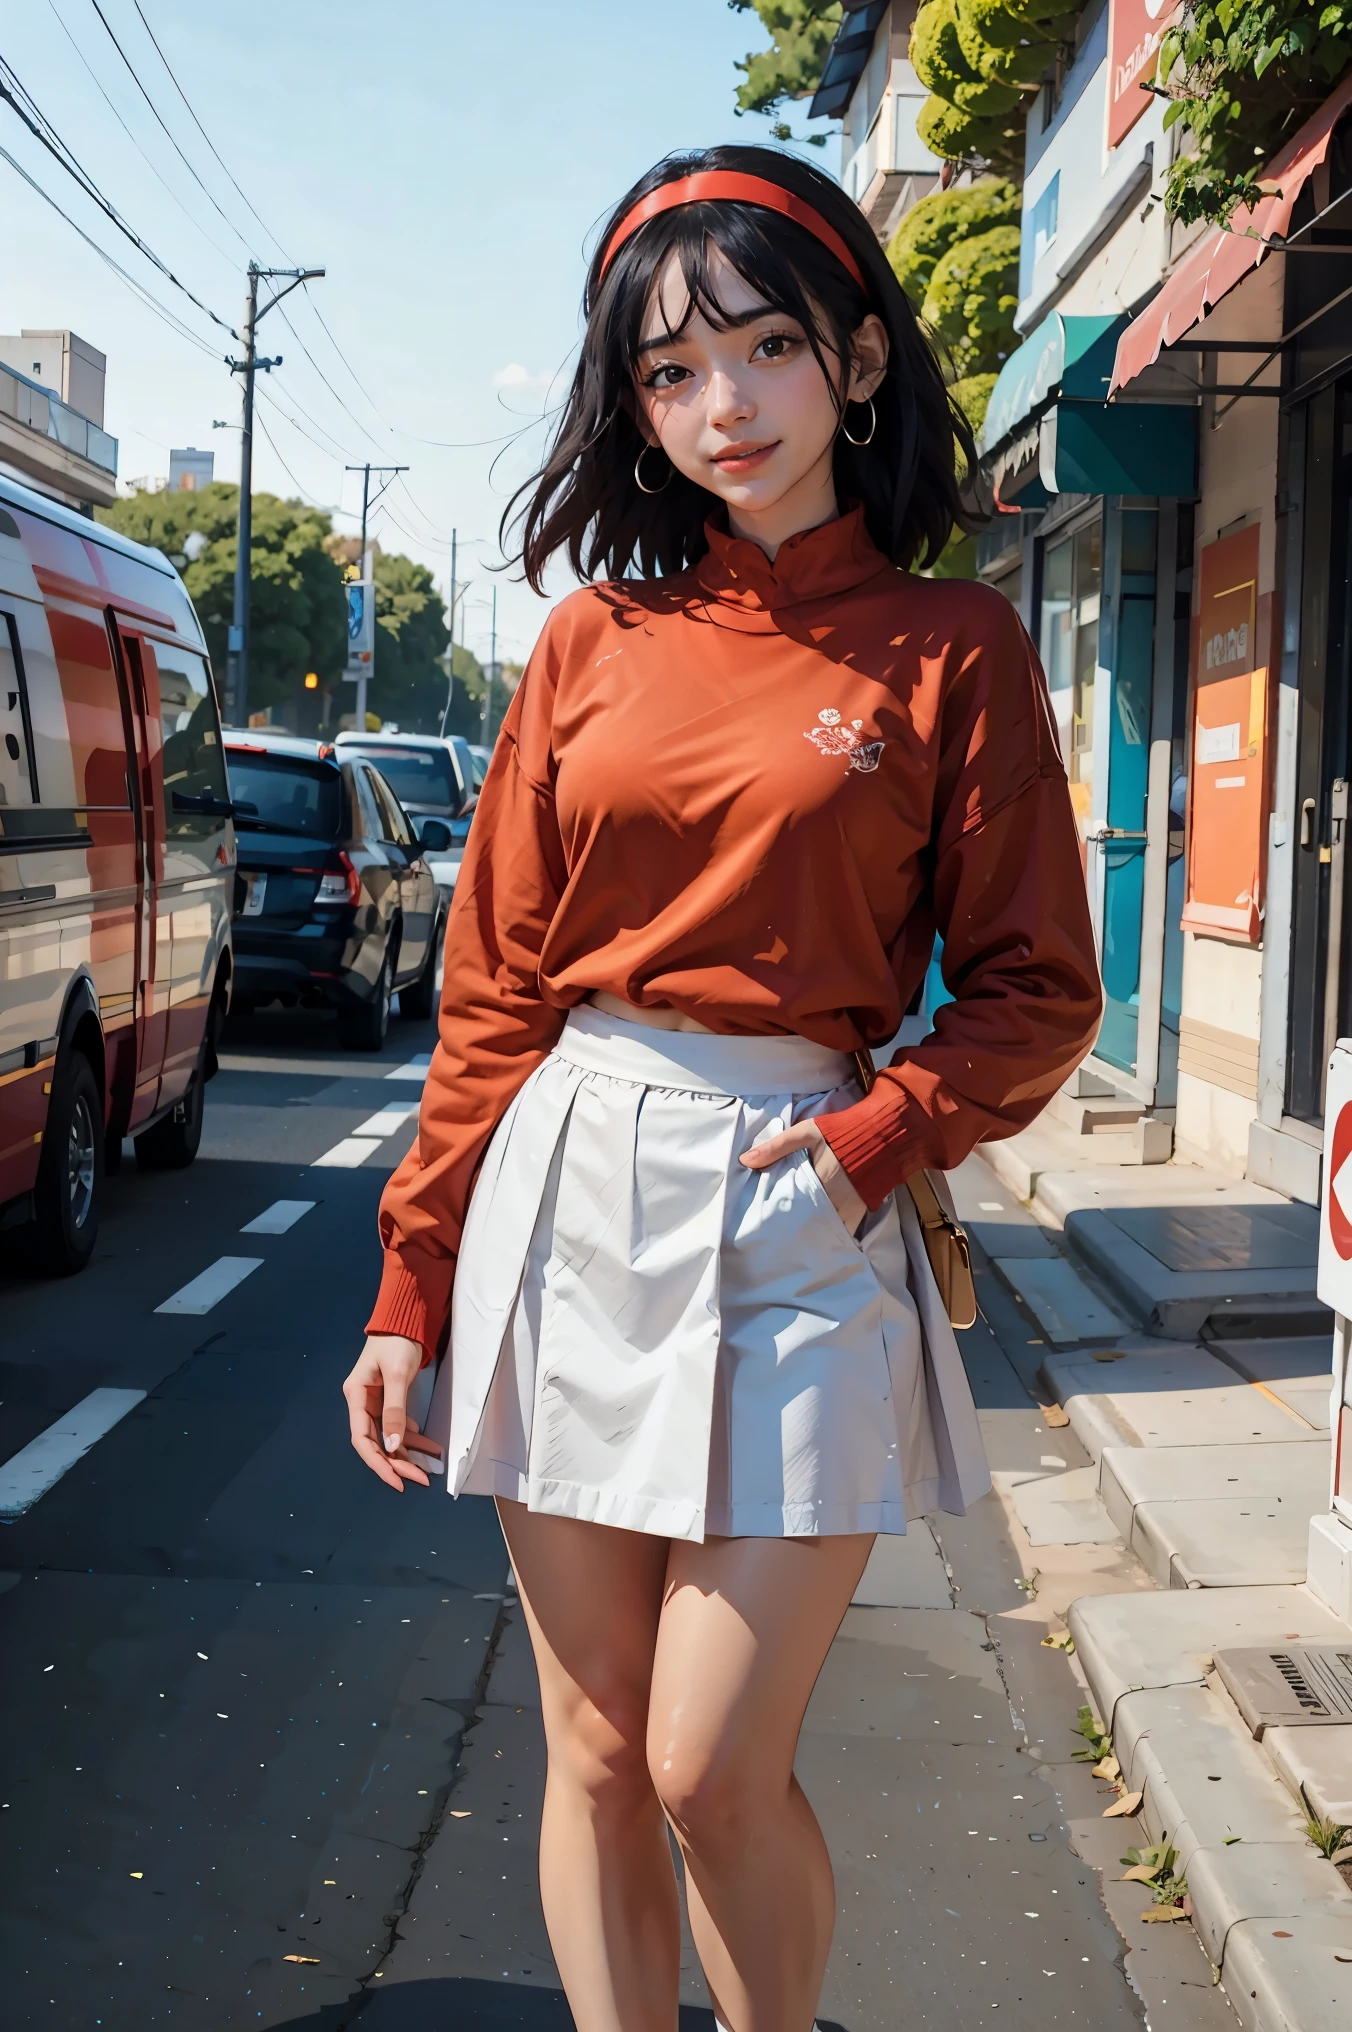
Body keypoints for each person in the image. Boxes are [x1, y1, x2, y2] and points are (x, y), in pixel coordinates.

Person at [343, 144, 1102, 2032]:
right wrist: (411, 1276)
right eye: (673, 373)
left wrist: (872, 1144)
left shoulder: (955, 649)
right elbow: (496, 988)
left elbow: (1036, 994)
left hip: (805, 1190)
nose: (723, 405)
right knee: (596, 1748)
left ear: (854, 363)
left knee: (708, 1761)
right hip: (571, 1179)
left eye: (766, 347)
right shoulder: (592, 643)